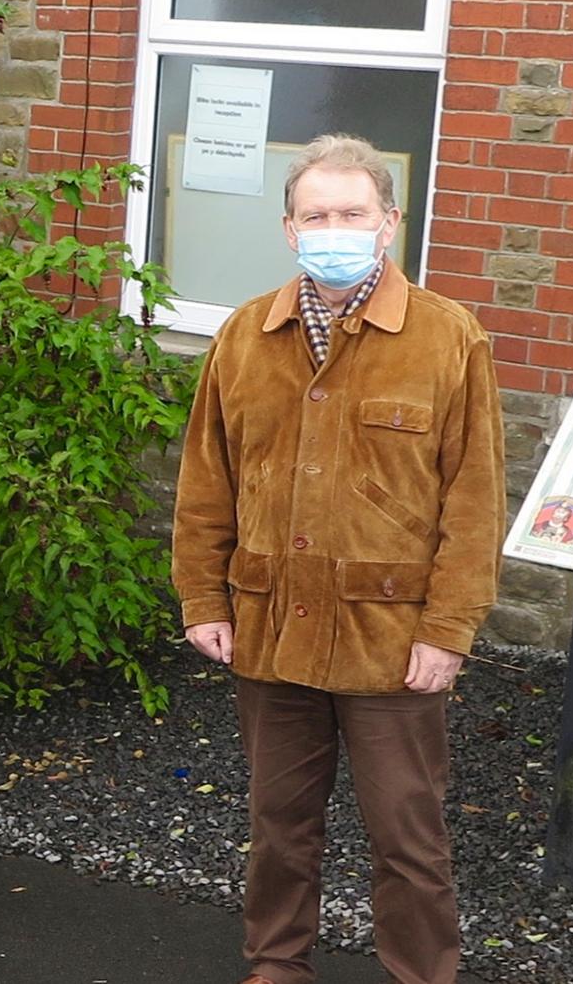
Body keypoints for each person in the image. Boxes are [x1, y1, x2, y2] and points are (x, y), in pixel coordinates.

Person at [173, 133, 502, 984]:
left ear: (388, 222)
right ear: (289, 228)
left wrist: (449, 628)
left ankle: (422, 974)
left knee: (408, 834)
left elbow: (473, 502)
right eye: (316, 214)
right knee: (280, 823)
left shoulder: (446, 338)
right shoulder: (246, 335)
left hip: (389, 643)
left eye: (352, 213)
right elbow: (205, 484)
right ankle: (277, 966)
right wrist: (204, 600)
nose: (334, 227)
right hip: (272, 630)